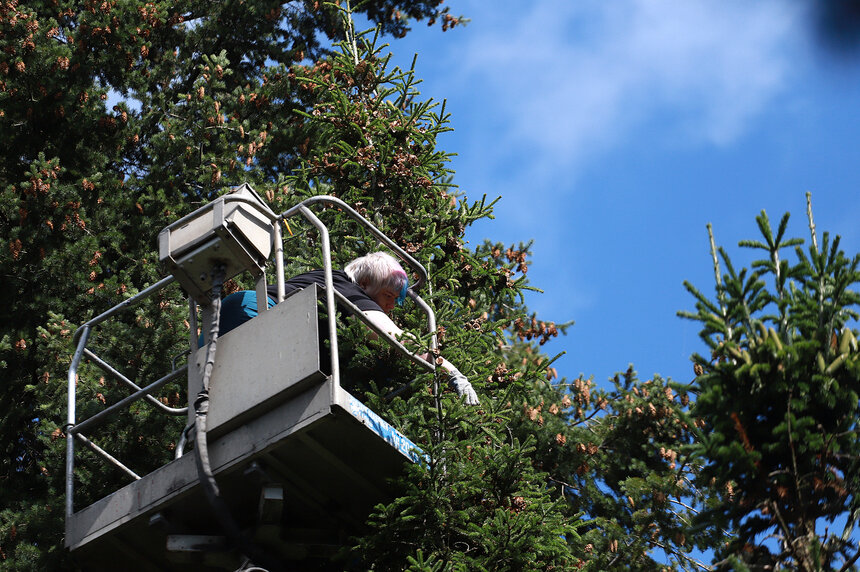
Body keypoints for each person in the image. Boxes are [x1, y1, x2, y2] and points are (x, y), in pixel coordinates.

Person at [212, 252, 479, 405]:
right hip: (255, 314)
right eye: (388, 296)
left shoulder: (329, 281)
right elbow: (395, 338)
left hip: (231, 313)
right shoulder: (350, 290)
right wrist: (451, 371)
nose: (391, 307)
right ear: (365, 283)